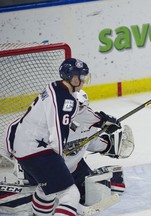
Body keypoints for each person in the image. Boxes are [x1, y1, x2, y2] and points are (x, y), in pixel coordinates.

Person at [5, 58, 122, 215]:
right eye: (82, 77)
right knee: (71, 195)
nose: (83, 81)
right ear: (73, 78)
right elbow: (58, 134)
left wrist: (102, 120)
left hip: (25, 150)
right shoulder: (66, 101)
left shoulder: (54, 87)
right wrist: (58, 164)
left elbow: (81, 112)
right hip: (38, 151)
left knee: (45, 190)